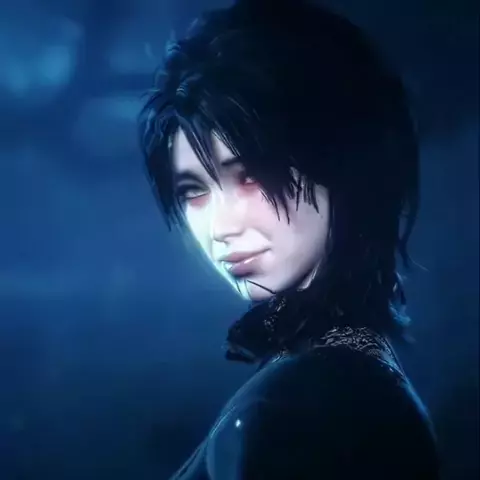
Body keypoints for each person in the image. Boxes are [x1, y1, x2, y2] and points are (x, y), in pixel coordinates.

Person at [138, 0, 440, 478]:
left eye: (251, 175)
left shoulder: (309, 403)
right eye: (193, 190)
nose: (220, 227)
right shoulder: (338, 380)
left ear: (340, 161)